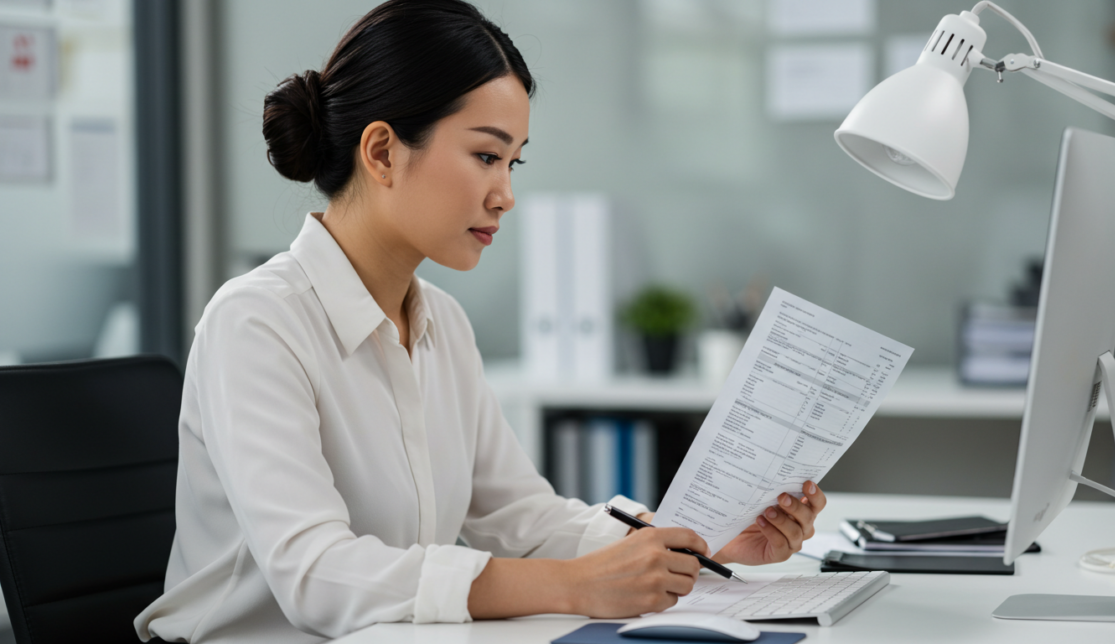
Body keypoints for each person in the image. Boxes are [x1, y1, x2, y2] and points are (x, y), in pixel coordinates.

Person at [135, 1, 826, 642]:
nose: (506, 195)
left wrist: (694, 541)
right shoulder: (256, 322)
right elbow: (314, 575)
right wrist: (577, 586)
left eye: (513, 162)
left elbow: (522, 520)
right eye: (486, 156)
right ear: (381, 153)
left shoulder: (442, 322)